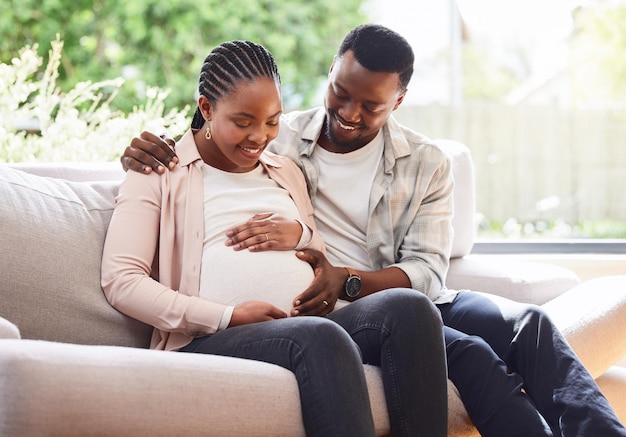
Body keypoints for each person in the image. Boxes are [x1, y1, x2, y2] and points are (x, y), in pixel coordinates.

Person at [122, 25, 626, 437]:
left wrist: (342, 276)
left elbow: (427, 272)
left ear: (399, 101)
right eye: (340, 93)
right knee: (469, 354)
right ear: (331, 72)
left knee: (529, 324)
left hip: (385, 291)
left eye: (370, 106)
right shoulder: (280, 138)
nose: (348, 113)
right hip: (335, 311)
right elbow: (215, 137)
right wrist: (143, 148)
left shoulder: (425, 162)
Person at [102, 40, 448, 437]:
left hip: (315, 323)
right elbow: (121, 281)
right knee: (319, 336)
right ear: (206, 108)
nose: (259, 136)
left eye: (272, 121)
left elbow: (316, 249)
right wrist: (227, 316)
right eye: (244, 121)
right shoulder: (158, 173)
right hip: (214, 338)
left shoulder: (284, 169)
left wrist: (302, 236)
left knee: (412, 308)